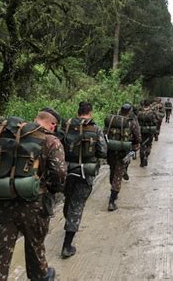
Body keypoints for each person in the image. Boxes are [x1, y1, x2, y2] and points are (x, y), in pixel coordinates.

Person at [0, 109, 66, 281]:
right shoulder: (51, 141)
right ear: (53, 124)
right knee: (35, 247)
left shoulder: (7, 134)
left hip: (1, 201)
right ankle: (41, 276)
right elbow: (59, 173)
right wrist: (51, 188)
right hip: (33, 206)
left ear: (35, 119)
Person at [61, 102, 107, 258]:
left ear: (77, 112)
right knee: (77, 205)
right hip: (85, 173)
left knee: (68, 198)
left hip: (67, 170)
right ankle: (67, 245)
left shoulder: (66, 126)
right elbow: (103, 152)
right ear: (91, 113)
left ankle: (68, 221)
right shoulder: (96, 129)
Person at [105, 103, 141, 211]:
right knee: (118, 174)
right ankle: (112, 201)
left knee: (112, 170)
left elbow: (104, 133)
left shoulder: (111, 120)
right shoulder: (131, 123)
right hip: (123, 152)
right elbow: (137, 137)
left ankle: (113, 191)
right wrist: (134, 146)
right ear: (129, 111)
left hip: (110, 151)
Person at [137, 99, 158, 167]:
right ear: (149, 105)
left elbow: (136, 121)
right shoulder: (152, 112)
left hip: (141, 131)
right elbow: (156, 121)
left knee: (142, 145)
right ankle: (146, 155)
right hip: (149, 131)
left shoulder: (140, 112)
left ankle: (141, 160)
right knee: (149, 144)